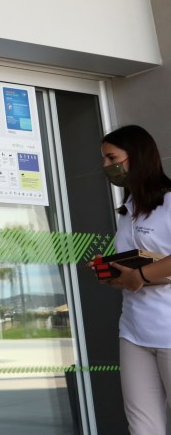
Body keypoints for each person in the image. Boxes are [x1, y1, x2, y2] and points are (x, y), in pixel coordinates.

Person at [98, 124, 171, 434]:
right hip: (134, 332)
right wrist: (113, 274)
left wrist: (139, 276)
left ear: (136, 157)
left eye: (111, 157)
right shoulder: (127, 211)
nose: (106, 166)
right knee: (142, 427)